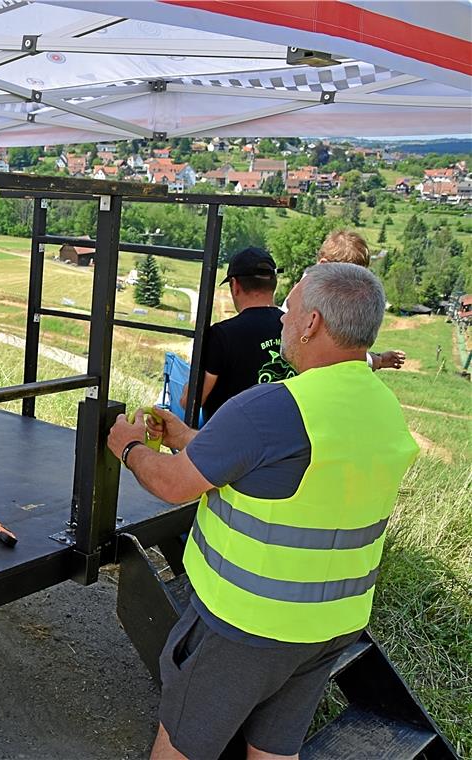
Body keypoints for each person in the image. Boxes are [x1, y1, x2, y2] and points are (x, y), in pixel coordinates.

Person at [108, 263, 419, 760]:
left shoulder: (271, 408)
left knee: (182, 746)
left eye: (288, 309)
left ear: (312, 323)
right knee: (274, 751)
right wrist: (186, 440)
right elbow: (277, 471)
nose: (281, 320)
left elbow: (172, 485)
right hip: (330, 625)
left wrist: (129, 447)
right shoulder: (380, 406)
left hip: (247, 626)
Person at [180, 247, 291, 419]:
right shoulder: (295, 328)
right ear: (273, 284)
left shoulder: (221, 335)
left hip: (229, 440)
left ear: (235, 285)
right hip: (284, 439)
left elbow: (191, 401)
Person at [315, 230, 405, 371]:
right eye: (347, 277)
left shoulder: (330, 298)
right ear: (323, 266)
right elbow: (333, 356)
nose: (355, 285)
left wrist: (377, 359)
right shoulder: (310, 303)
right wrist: (377, 360)